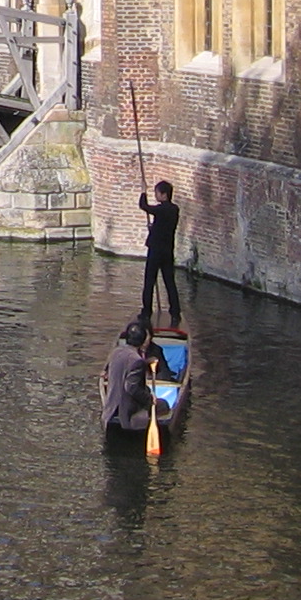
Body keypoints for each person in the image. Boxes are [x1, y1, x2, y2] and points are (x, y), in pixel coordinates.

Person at [139, 180, 182, 324]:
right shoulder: (175, 209)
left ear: (164, 195)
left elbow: (143, 206)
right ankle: (175, 313)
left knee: (149, 281)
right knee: (170, 282)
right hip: (167, 251)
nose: (156, 195)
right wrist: (154, 228)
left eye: (157, 193)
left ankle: (146, 312)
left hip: (156, 251)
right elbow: (164, 227)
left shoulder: (161, 209)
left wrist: (143, 191)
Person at [102, 321, 153, 432]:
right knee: (163, 406)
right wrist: (149, 400)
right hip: (126, 411)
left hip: (110, 408)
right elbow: (131, 388)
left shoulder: (116, 352)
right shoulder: (137, 361)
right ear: (143, 340)